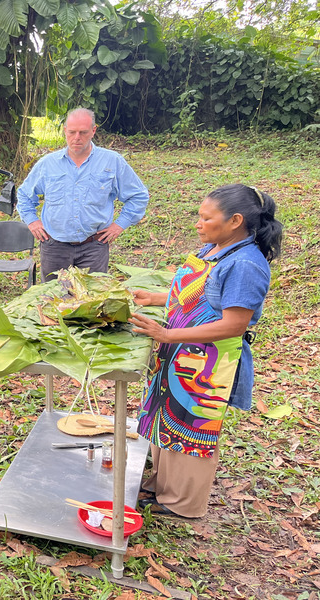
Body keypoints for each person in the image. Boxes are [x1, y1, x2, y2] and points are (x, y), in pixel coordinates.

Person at [129, 184, 283, 518]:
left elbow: (233, 324)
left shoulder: (246, 264)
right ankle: (163, 486)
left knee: (192, 427)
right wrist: (156, 298)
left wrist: (167, 333)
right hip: (178, 351)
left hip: (207, 363)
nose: (198, 223)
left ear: (235, 221)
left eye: (206, 218)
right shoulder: (215, 247)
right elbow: (199, 292)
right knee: (167, 420)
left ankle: (183, 504)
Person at [17, 107, 150, 280]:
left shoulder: (112, 161)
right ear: (65, 131)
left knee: (92, 302)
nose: (77, 138)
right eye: (72, 132)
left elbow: (138, 195)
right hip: (54, 247)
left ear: (93, 131)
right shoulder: (48, 164)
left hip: (94, 247)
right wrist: (32, 221)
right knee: (53, 301)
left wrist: (120, 225)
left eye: (83, 132)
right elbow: (24, 195)